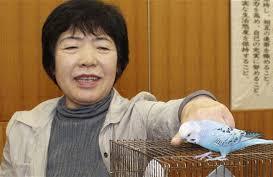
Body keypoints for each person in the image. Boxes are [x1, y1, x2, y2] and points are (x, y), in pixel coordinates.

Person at [0, 0, 235, 176]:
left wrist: (199, 106)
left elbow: (174, 113)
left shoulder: (139, 116)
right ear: (51, 62)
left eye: (102, 47)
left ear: (119, 62)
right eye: (71, 47)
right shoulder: (22, 127)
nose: (88, 60)